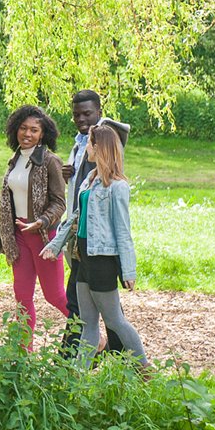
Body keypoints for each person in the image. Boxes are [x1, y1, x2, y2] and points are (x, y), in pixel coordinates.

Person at [41, 124, 148, 367]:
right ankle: (78, 377)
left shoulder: (117, 187)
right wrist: (55, 246)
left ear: (99, 148)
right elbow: (75, 218)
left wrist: (128, 270)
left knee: (114, 321)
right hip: (82, 258)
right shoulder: (89, 181)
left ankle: (144, 368)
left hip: (102, 261)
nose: (85, 148)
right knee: (87, 323)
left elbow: (123, 230)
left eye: (89, 143)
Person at [62, 90, 130, 353]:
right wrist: (67, 171)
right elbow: (81, 184)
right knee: (94, 306)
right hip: (81, 236)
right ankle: (118, 358)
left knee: (88, 306)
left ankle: (69, 361)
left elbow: (107, 171)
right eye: (76, 114)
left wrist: (128, 269)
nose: (81, 119)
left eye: (87, 113)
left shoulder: (104, 137)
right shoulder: (80, 142)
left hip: (98, 242)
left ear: (100, 111)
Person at [0, 105, 69, 337]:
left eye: (34, 130)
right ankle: (23, 354)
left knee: (55, 295)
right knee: (22, 298)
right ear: (15, 130)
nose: (27, 134)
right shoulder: (15, 159)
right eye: (23, 128)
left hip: (43, 236)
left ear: (43, 134)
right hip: (18, 236)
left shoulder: (50, 161)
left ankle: (95, 335)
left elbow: (60, 203)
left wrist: (42, 221)